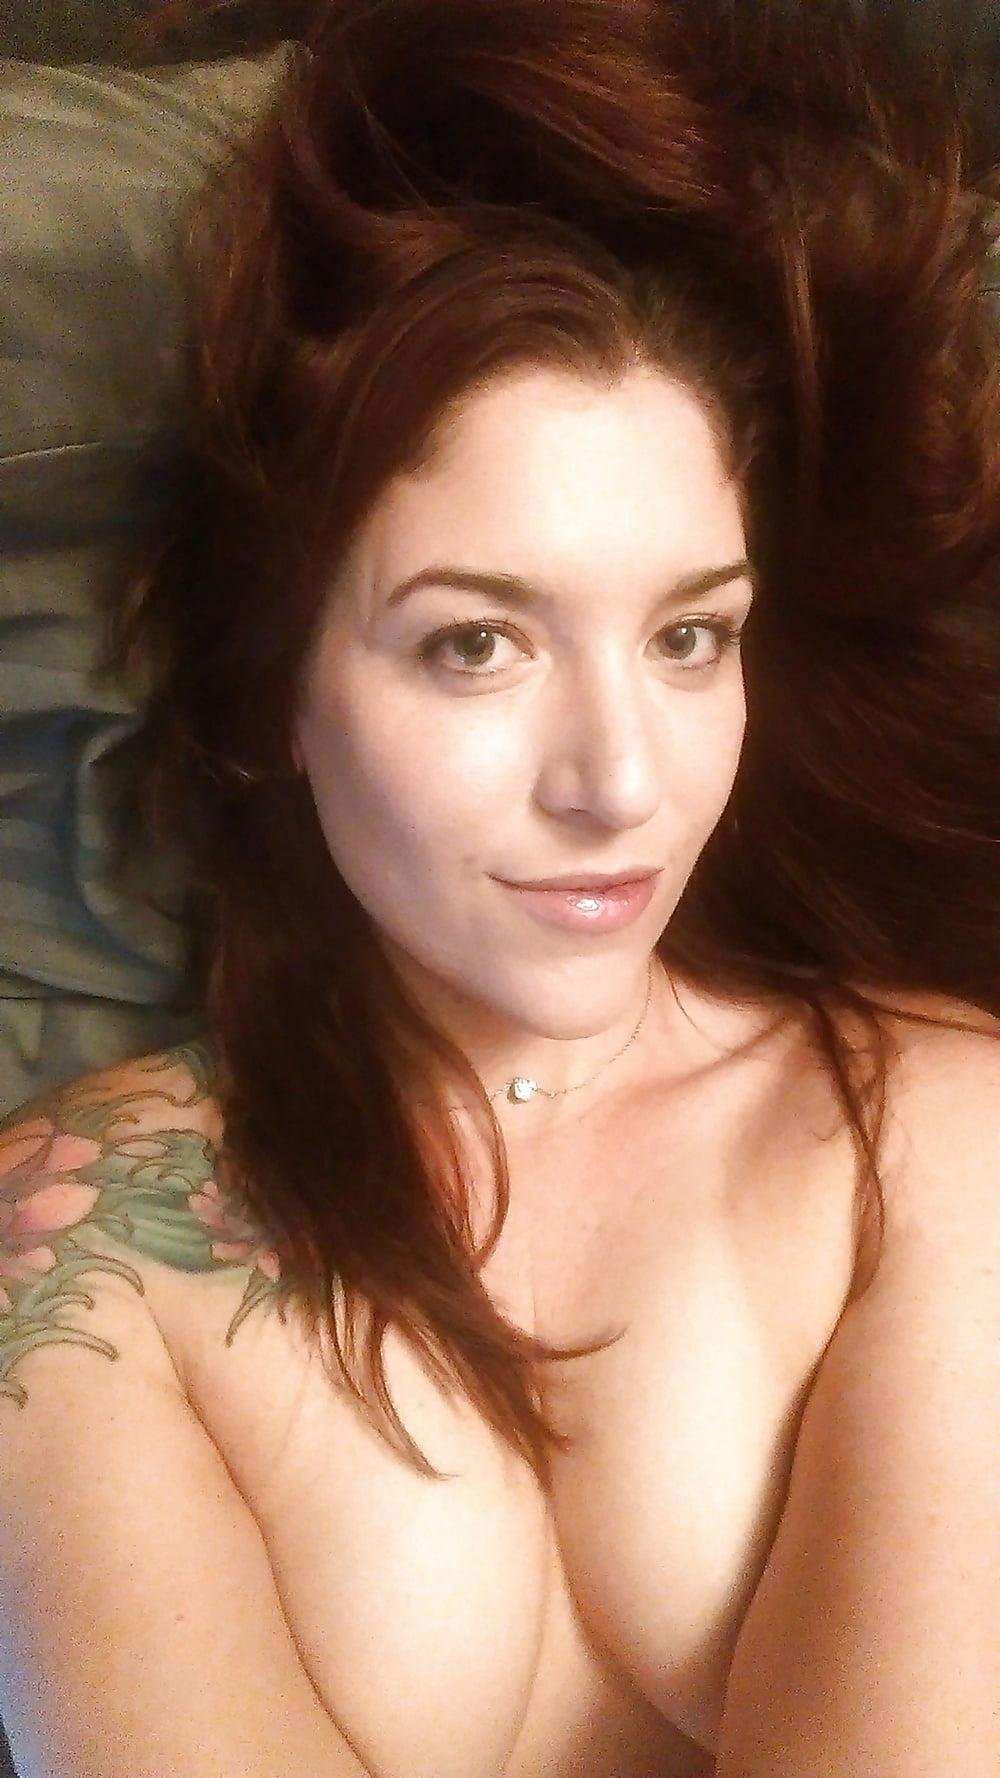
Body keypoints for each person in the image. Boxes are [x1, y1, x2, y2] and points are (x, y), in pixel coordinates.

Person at [1, 2, 998, 1774]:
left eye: (690, 636)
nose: (619, 779)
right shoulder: (77, 1238)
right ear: (271, 693)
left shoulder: (935, 1147)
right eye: (476, 642)